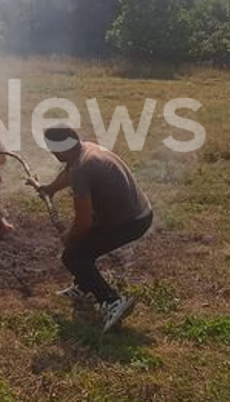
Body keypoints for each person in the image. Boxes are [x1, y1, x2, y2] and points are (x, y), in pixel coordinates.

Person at [39, 124, 153, 332]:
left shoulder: (84, 168)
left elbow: (84, 222)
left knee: (73, 255)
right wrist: (50, 189)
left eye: (52, 148)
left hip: (130, 222)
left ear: (63, 147)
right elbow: (68, 173)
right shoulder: (84, 151)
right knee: (82, 247)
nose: (51, 152)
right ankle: (84, 286)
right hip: (133, 212)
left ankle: (112, 301)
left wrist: (69, 236)